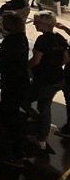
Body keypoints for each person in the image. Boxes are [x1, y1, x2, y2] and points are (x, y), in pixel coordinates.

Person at [0, 12, 31, 167]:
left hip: (12, 83)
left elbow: (1, 63)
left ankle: (16, 155)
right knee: (11, 114)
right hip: (21, 81)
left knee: (9, 117)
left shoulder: (10, 41)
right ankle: (14, 149)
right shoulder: (22, 38)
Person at [29, 11, 69, 151]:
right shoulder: (60, 38)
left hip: (44, 80)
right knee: (44, 106)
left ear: (43, 25)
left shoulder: (42, 40)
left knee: (22, 99)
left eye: (36, 22)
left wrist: (24, 67)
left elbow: (35, 61)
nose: (34, 24)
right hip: (58, 79)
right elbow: (66, 58)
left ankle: (42, 125)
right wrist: (55, 66)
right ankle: (42, 138)